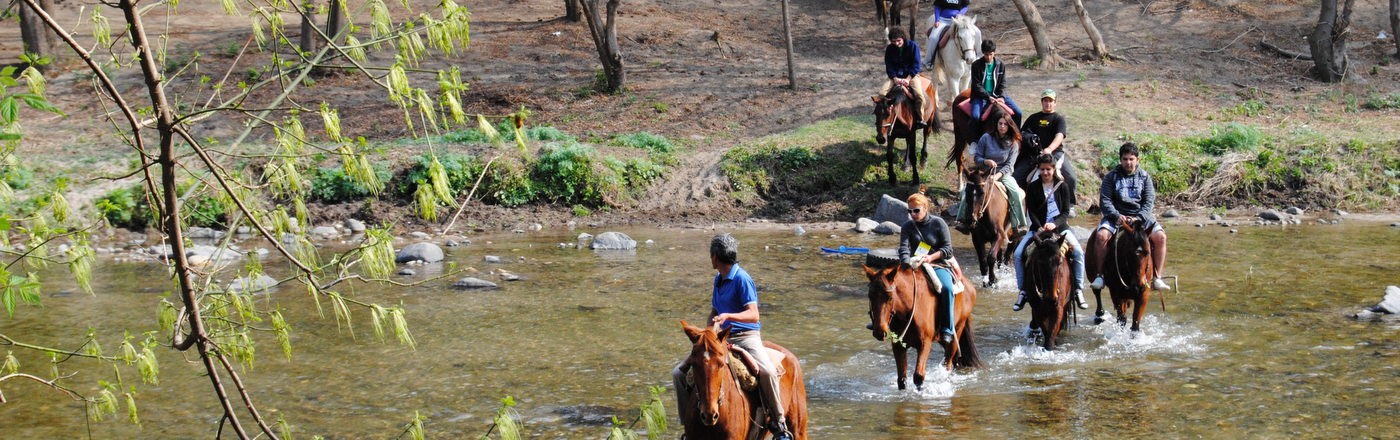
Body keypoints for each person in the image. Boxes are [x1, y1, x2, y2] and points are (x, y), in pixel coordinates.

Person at [672, 234, 793, 440]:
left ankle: (779, 423)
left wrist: (730, 316)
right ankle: (687, 426)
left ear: (715, 257)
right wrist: (709, 330)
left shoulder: (741, 278)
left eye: (710, 255)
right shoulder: (718, 280)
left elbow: (753, 313)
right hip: (720, 338)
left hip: (746, 336)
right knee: (678, 373)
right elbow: (714, 311)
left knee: (767, 372)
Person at [1088, 143, 1172, 292]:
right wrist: (1116, 215)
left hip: (1141, 218)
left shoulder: (1145, 177)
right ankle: (1100, 276)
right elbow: (1105, 200)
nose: (1128, 162)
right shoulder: (1111, 177)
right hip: (1116, 217)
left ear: (1137, 159)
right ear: (1120, 160)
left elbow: (1149, 201)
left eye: (1131, 159)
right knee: (1101, 236)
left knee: (1161, 237)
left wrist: (1138, 217)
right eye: (1125, 159)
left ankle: (1157, 277)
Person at [1012, 154, 1087, 311]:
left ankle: (1078, 289)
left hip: (1060, 229)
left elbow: (1066, 212)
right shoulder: (1032, 188)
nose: (1045, 172)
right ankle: (1023, 291)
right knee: (1018, 254)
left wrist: (1054, 224)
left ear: (1054, 169)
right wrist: (1039, 227)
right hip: (1037, 229)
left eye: (1048, 169)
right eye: (1042, 169)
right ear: (1038, 170)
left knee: (1079, 252)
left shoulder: (1063, 186)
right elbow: (1031, 211)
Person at [897, 193, 957, 344]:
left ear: (925, 208)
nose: (913, 215)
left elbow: (948, 249)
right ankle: (884, 322)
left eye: (916, 210)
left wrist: (931, 258)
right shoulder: (907, 226)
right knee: (885, 285)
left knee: (947, 289)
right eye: (909, 211)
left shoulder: (938, 223)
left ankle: (947, 329)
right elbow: (904, 248)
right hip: (914, 263)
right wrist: (905, 264)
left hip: (937, 263)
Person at [955, 115, 1029, 233]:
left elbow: (1009, 165)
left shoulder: (1014, 144)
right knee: (967, 190)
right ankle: (962, 220)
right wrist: (986, 161)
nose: (1002, 126)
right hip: (983, 173)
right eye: (1000, 123)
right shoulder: (986, 138)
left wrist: (996, 176)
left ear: (1009, 126)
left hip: (1003, 175)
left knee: (1015, 192)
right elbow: (977, 157)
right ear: (996, 124)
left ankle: (1019, 225)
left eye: (1005, 124)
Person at [1017, 89, 1078, 216]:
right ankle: (1017, 206)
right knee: (1015, 176)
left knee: (1071, 177)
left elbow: (1060, 135)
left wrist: (1049, 149)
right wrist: (1030, 139)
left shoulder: (1058, 119)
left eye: (1050, 101)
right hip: (1034, 156)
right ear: (1042, 102)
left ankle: (1070, 205)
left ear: (1055, 102)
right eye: (1045, 100)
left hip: (1055, 154)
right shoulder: (1033, 118)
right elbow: (1022, 133)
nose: (1048, 103)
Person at [880, 27, 930, 129]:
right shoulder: (889, 49)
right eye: (894, 41)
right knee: (881, 94)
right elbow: (889, 65)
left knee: (920, 96)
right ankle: (883, 115)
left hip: (911, 76)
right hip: (894, 77)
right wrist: (894, 78)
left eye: (898, 41)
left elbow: (916, 65)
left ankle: (920, 118)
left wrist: (907, 79)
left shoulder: (913, 46)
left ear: (903, 38)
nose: (896, 43)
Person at [968, 39, 1022, 125]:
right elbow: (976, 85)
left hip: (997, 95)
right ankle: (975, 138)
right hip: (981, 97)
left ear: (994, 52)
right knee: (975, 116)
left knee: (1019, 112)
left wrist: (1002, 97)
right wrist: (988, 96)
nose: (989, 57)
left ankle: (1017, 136)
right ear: (983, 53)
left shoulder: (1000, 65)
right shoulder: (976, 65)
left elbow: (1003, 83)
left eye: (991, 54)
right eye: (986, 54)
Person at [923, 0, 970, 68]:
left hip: (958, 20)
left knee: (972, 33)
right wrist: (937, 20)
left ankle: (977, 56)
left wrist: (960, 13)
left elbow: (965, 7)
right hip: (942, 20)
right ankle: (928, 61)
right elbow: (937, 7)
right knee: (933, 38)